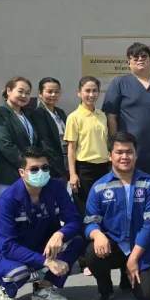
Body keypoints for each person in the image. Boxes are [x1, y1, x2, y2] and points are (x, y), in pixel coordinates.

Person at [0, 146, 84, 300]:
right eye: (34, 169)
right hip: (11, 252)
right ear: (22, 172)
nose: (41, 172)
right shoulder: (8, 199)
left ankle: (43, 288)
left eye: (45, 168)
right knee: (17, 273)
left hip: (42, 243)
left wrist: (61, 234)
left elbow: (74, 220)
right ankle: (6, 288)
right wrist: (46, 262)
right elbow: (8, 246)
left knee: (77, 241)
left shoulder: (56, 187)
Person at [83, 132, 150, 300]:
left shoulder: (148, 183)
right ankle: (105, 290)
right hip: (115, 245)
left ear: (136, 154)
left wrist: (133, 258)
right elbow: (90, 221)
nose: (124, 156)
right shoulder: (99, 186)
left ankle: (128, 275)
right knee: (92, 252)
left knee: (147, 296)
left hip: (140, 247)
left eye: (129, 152)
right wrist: (97, 234)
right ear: (110, 156)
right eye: (119, 152)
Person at [103, 42, 150, 184]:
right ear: (128, 62)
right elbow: (111, 116)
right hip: (127, 151)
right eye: (135, 57)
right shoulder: (119, 83)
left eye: (144, 56)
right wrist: (114, 142)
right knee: (127, 189)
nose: (140, 59)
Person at [65, 76, 110, 212]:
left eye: (95, 91)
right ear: (79, 92)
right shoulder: (74, 117)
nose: (91, 94)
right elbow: (71, 148)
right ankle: (85, 234)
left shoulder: (102, 115)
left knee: (102, 206)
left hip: (103, 168)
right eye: (87, 91)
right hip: (84, 169)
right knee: (85, 208)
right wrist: (72, 174)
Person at [0, 77, 37, 202]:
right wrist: (28, 165)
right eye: (20, 91)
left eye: (27, 93)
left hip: (26, 176)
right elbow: (6, 146)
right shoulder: (0, 114)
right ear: (9, 91)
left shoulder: (26, 114)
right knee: (9, 217)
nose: (24, 95)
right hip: (8, 177)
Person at [25, 77, 68, 179]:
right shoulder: (38, 114)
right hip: (52, 165)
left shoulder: (60, 112)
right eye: (49, 91)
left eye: (57, 92)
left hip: (65, 160)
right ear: (40, 93)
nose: (53, 95)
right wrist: (54, 166)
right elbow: (45, 143)